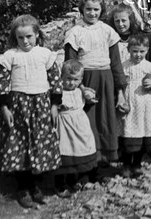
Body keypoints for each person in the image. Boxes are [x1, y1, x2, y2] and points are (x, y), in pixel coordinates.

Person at [0, 14, 62, 208]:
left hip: (40, 106)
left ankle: (36, 186)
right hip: (18, 107)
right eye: (20, 38)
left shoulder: (45, 55)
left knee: (38, 144)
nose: (25, 41)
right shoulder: (10, 56)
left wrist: (54, 105)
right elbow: (2, 85)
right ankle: (22, 188)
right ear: (15, 38)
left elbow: (56, 82)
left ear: (37, 34)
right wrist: (4, 107)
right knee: (20, 146)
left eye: (29, 36)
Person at [63, 0, 127, 163]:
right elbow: (70, 65)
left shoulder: (107, 31)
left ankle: (103, 160)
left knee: (105, 119)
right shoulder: (75, 32)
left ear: (101, 10)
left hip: (105, 80)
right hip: (85, 81)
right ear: (82, 9)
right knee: (86, 121)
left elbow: (116, 64)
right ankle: (87, 160)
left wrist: (120, 91)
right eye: (88, 9)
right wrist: (82, 89)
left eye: (96, 10)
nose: (92, 13)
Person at [119, 35, 151, 178]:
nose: (138, 55)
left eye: (141, 51)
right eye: (134, 51)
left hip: (146, 105)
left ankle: (137, 164)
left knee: (141, 132)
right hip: (130, 105)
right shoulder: (124, 66)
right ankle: (126, 164)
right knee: (129, 133)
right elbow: (118, 84)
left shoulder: (149, 66)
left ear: (147, 50)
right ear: (128, 50)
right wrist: (120, 97)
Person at [54, 60, 97, 198]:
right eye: (68, 79)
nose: (71, 83)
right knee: (64, 152)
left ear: (80, 80)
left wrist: (89, 95)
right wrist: (58, 107)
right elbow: (52, 105)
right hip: (64, 127)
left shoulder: (80, 92)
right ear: (62, 77)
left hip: (79, 126)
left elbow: (91, 99)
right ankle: (60, 184)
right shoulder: (57, 92)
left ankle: (73, 180)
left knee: (78, 151)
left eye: (75, 80)